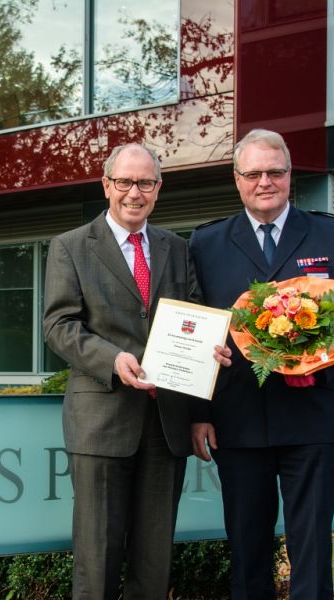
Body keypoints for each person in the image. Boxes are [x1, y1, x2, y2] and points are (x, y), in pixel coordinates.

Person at [189, 129, 334, 600]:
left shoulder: (331, 234)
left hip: (312, 416)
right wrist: (199, 413)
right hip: (238, 419)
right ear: (237, 179)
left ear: (290, 175)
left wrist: (317, 364)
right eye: (253, 173)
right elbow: (196, 333)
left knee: (311, 546)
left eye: (275, 172)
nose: (265, 182)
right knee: (247, 547)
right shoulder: (205, 243)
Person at [43, 143, 204, 599]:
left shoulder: (178, 248)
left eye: (146, 183)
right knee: (97, 558)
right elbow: (58, 326)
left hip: (165, 421)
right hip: (101, 422)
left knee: (154, 562)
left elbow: (195, 317)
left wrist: (209, 349)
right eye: (125, 182)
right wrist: (111, 359)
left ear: (158, 188)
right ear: (106, 185)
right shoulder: (71, 247)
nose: (135, 192)